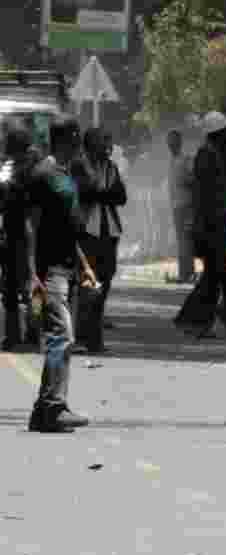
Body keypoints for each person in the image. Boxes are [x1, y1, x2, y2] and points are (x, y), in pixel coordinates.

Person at [27, 115, 98, 433]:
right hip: (48, 270)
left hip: (65, 266)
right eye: (77, 139)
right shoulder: (43, 174)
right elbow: (30, 225)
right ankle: (54, 407)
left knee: (59, 336)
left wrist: (84, 266)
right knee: (62, 336)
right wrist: (32, 273)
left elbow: (66, 230)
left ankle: (44, 411)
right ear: (68, 139)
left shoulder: (64, 174)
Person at [175, 111, 226, 340]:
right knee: (217, 275)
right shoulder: (208, 155)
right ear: (218, 133)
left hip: (216, 224)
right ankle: (194, 319)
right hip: (212, 226)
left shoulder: (214, 153)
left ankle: (199, 319)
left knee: (218, 275)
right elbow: (209, 197)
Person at [72, 127, 127, 355]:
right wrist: (103, 193)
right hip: (87, 232)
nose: (108, 146)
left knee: (104, 283)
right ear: (90, 145)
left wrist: (99, 192)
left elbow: (120, 196)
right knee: (88, 285)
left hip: (109, 233)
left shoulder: (111, 168)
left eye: (108, 141)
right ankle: (83, 338)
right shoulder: (79, 166)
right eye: (103, 141)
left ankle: (95, 339)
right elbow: (84, 194)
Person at [1, 121, 37, 351]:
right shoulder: (34, 168)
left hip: (20, 233)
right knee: (25, 287)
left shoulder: (14, 170)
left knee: (16, 287)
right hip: (24, 233)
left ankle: (17, 335)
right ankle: (29, 333)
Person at [167, 130, 196, 284]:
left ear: (179, 143)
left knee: (186, 241)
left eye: (173, 141)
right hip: (177, 206)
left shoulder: (186, 159)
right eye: (169, 142)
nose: (171, 145)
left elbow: (193, 179)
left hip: (186, 205)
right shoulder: (172, 160)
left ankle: (187, 273)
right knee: (181, 241)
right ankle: (184, 273)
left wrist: (185, 179)